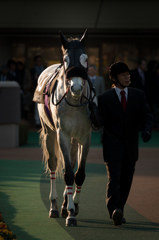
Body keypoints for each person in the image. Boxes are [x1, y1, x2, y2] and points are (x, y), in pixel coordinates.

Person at [89, 62, 153, 226]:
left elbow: (147, 115)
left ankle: (120, 209)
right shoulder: (104, 98)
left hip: (131, 146)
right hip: (112, 145)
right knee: (114, 178)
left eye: (128, 74)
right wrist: (93, 113)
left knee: (126, 180)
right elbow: (98, 123)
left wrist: (147, 130)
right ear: (114, 78)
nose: (127, 77)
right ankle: (114, 210)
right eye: (123, 75)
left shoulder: (138, 95)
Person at [30, 55, 45, 127]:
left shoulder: (45, 69)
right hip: (36, 89)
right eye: (38, 61)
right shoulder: (32, 70)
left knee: (45, 105)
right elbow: (31, 81)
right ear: (35, 62)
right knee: (37, 106)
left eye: (40, 61)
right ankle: (37, 122)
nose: (39, 62)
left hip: (45, 90)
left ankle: (44, 121)